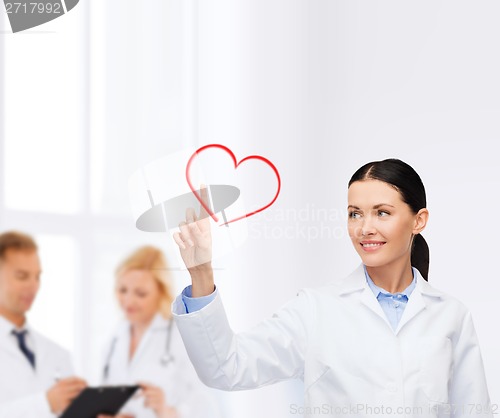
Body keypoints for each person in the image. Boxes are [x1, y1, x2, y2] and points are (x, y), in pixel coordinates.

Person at [170, 159, 493, 418]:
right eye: (355, 214)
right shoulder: (316, 310)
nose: (365, 228)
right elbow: (226, 368)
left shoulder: (450, 316)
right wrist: (201, 273)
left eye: (382, 212)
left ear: (418, 220)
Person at [98, 245, 219, 418]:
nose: (128, 301)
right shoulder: (115, 338)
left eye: (140, 293)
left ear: (161, 292)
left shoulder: (182, 336)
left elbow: (206, 406)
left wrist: (165, 411)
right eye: (122, 290)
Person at [0, 230, 87, 418]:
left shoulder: (58, 354)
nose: (33, 286)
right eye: (22, 276)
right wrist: (45, 403)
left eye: (37, 276)